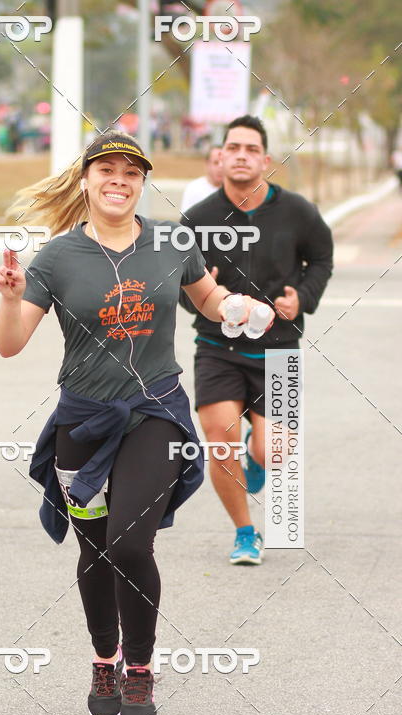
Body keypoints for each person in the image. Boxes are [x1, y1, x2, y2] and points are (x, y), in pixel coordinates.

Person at [0, 131, 272, 715]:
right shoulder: (57, 258)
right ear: (86, 179)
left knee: (127, 543)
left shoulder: (172, 241)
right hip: (83, 420)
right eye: (107, 170)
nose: (118, 180)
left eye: (130, 172)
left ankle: (140, 667)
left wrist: (238, 309)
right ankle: (104, 659)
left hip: (155, 413)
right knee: (92, 550)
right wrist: (11, 301)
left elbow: (208, 297)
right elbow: (11, 345)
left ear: (142, 181)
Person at [180, 115, 333, 565]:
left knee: (273, 450)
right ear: (221, 158)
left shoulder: (298, 212)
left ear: (265, 160)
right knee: (220, 440)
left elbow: (321, 258)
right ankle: (246, 533)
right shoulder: (199, 219)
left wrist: (301, 298)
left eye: (251, 149)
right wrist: (201, 293)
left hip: (279, 349)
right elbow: (179, 286)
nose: (242, 155)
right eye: (234, 148)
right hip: (217, 349)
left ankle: (258, 457)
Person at [180, 145, 223, 214]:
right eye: (216, 163)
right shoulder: (194, 188)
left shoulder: (234, 191)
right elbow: (185, 220)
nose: (220, 167)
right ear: (207, 164)